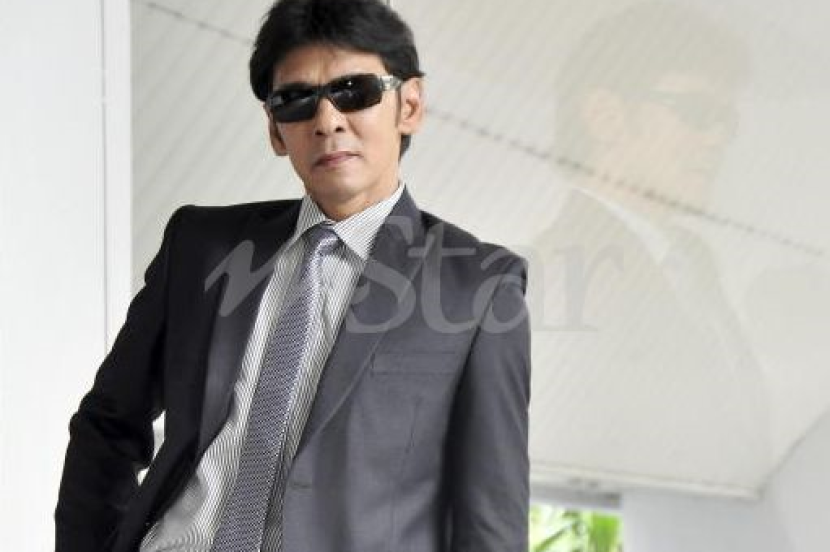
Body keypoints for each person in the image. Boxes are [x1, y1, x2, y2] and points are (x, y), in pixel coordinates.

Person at [54, 1, 530, 551]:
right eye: (297, 100)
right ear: (276, 131)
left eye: (355, 91)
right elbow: (108, 424)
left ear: (410, 105)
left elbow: (490, 520)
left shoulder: (479, 287)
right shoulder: (199, 247)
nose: (327, 120)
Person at [529, 2, 769, 491]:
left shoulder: (695, 265)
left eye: (726, 122)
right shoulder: (550, 274)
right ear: (606, 118)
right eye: (697, 113)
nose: (718, 138)